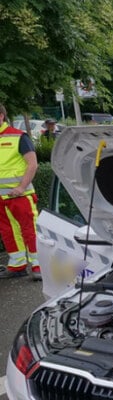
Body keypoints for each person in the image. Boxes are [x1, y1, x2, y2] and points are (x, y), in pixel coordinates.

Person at [0, 103, 41, 279]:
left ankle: (39, 266)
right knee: (8, 232)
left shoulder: (18, 137)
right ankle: (17, 266)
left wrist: (21, 187)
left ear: (1, 116)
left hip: (21, 195)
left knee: (30, 230)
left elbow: (33, 164)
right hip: (2, 198)